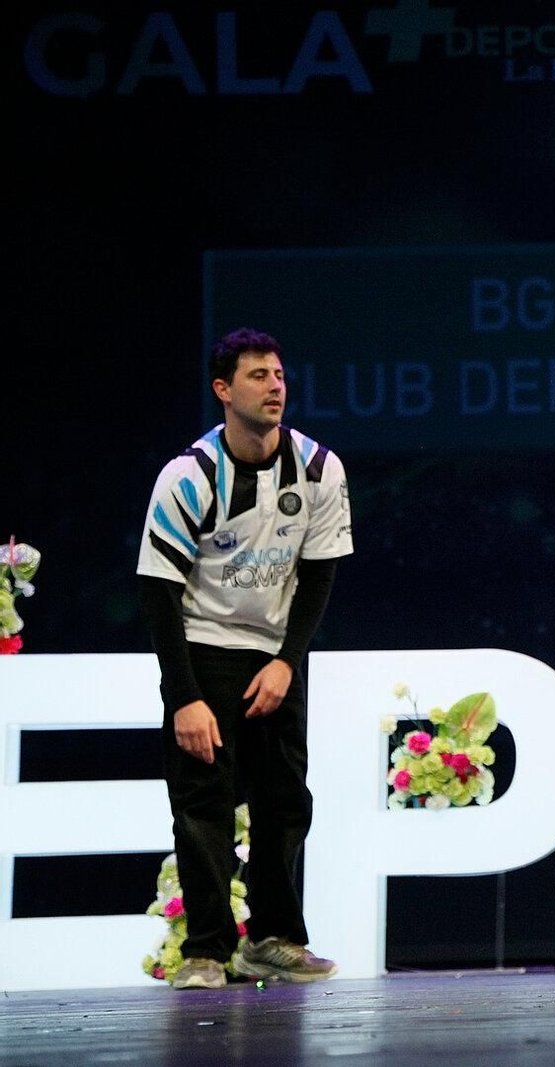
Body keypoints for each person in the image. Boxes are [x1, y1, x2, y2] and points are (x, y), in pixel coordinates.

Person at [137, 328, 353, 988]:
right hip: (204, 648)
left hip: (273, 655)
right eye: (258, 376)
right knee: (202, 803)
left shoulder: (319, 469)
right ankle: (205, 949)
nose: (275, 386)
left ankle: (274, 938)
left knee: (285, 800)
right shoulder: (189, 477)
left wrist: (289, 659)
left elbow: (317, 575)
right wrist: (185, 696)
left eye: (280, 374)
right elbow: (157, 588)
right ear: (224, 391)